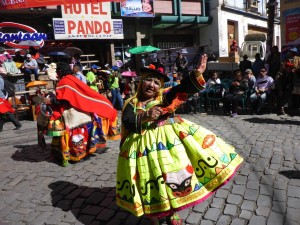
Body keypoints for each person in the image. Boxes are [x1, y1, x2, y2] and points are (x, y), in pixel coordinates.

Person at [116, 55, 243, 225]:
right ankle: (154, 218)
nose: (152, 85)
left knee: (173, 178)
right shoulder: (132, 103)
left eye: (156, 83)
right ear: (141, 82)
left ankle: (171, 213)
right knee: (149, 180)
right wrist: (145, 116)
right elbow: (127, 121)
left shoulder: (165, 98)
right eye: (149, 81)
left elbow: (182, 88)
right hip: (142, 150)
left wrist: (197, 73)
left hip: (169, 147)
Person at [42, 63, 119, 167]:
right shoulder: (72, 79)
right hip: (82, 110)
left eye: (57, 71)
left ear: (60, 71)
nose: (56, 73)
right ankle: (86, 150)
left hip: (73, 114)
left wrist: (50, 100)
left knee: (73, 134)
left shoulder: (64, 81)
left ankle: (75, 153)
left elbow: (63, 100)